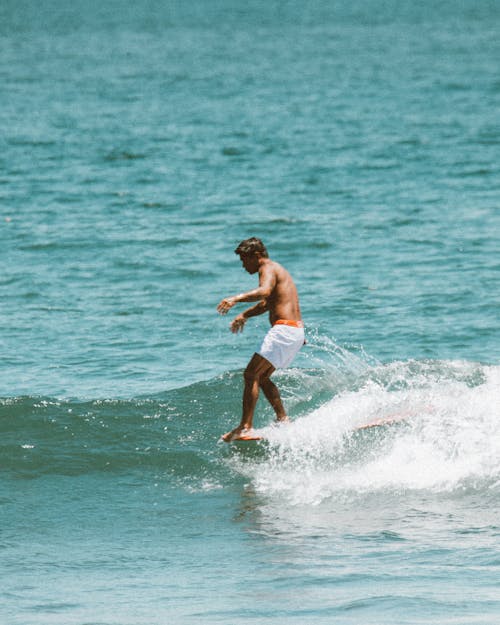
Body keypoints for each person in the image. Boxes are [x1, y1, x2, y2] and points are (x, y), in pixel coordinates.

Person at [217, 237, 304, 442]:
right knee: (261, 377)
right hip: (295, 331)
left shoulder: (267, 268)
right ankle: (283, 419)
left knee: (250, 374)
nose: (243, 265)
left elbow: (264, 292)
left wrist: (235, 299)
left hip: (284, 330)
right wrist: (244, 315)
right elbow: (267, 303)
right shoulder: (276, 270)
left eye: (244, 260)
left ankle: (245, 426)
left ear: (257, 256)